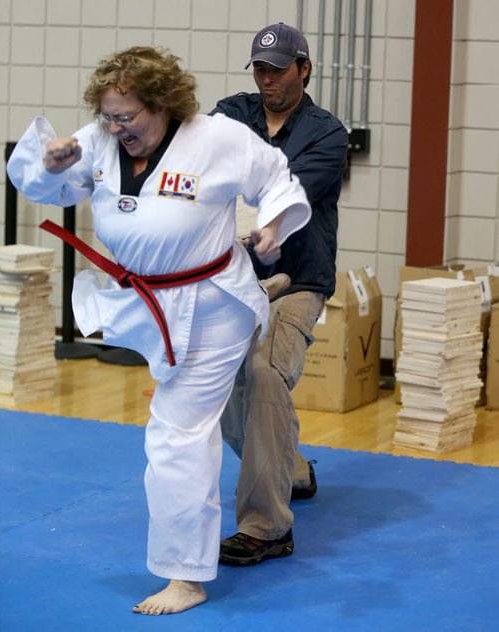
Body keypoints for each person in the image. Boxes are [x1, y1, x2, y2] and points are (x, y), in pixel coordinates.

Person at [7, 46, 312, 615]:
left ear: (165, 105)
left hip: (214, 303)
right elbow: (52, 186)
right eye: (110, 116)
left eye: (129, 117)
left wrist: (271, 226)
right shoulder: (101, 138)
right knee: (189, 424)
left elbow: (277, 177)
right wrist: (48, 164)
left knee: (176, 432)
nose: (119, 128)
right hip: (146, 303)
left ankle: (185, 576)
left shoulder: (216, 138)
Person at [210, 23, 348, 565]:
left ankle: (268, 527)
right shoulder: (231, 113)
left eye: (279, 69)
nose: (268, 79)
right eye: (261, 69)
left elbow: (278, 194)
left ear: (304, 69)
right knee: (220, 391)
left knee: (264, 373)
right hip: (235, 279)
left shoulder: (326, 133)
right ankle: (290, 471)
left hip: (297, 283)